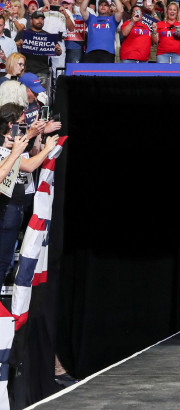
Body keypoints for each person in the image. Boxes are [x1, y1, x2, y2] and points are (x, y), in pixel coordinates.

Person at [0, 103, 52, 288]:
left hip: (17, 202)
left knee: (5, 260)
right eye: (21, 124)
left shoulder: (15, 141)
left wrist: (35, 134)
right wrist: (48, 148)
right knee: (2, 262)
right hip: (7, 208)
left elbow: (31, 155)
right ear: (10, 124)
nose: (23, 128)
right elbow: (28, 165)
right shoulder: (6, 145)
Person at [15, 11, 62, 87]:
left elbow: (59, 52)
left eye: (42, 19)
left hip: (42, 71)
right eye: (37, 18)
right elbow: (13, 46)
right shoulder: (23, 34)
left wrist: (58, 50)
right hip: (25, 71)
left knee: (41, 97)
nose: (40, 21)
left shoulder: (48, 36)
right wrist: (18, 44)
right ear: (31, 21)